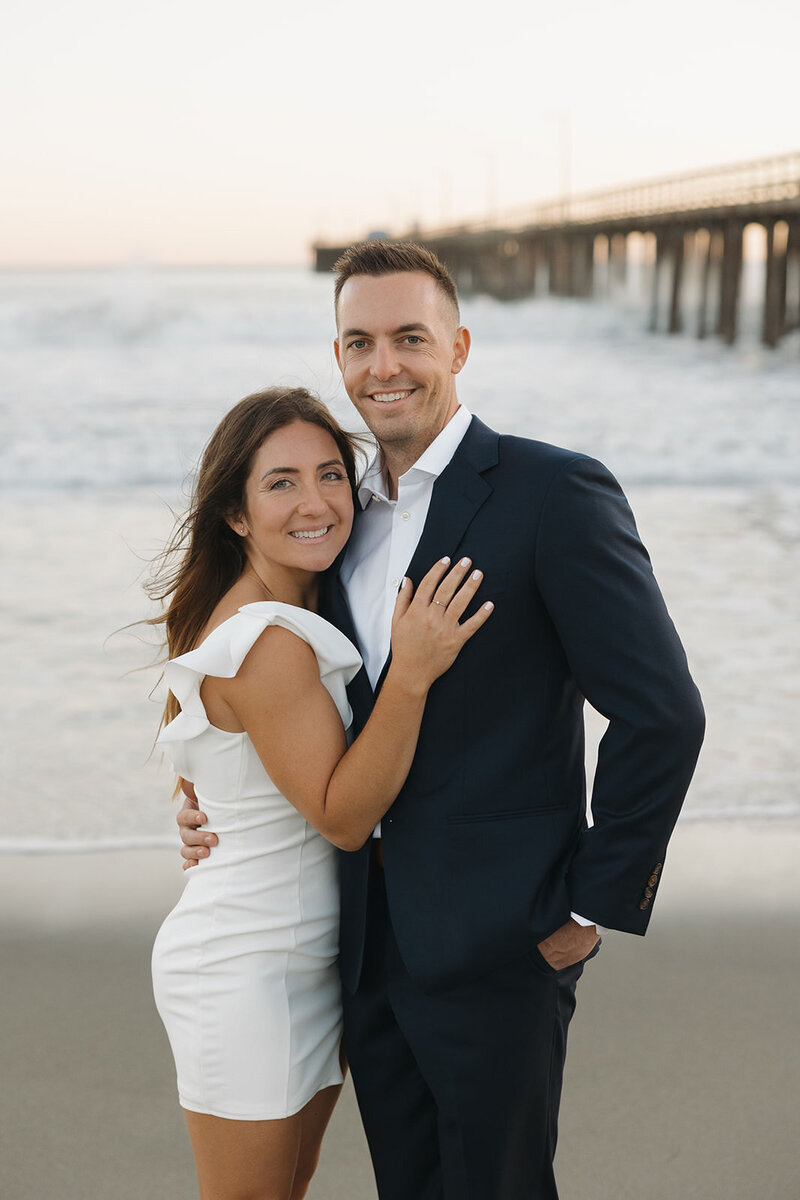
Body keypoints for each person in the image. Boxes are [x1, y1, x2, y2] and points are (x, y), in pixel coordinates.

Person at [178, 243, 706, 1200]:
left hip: (504, 937)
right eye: (361, 342)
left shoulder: (553, 494)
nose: (385, 366)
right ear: (338, 358)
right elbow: (265, 683)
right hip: (364, 940)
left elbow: (663, 713)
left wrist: (590, 905)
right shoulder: (334, 519)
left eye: (410, 338)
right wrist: (206, 792)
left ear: (458, 346)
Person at [150, 386, 493, 1200]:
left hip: (307, 961)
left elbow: (211, 758)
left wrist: (199, 806)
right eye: (280, 483)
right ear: (234, 514)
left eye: (331, 475)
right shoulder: (269, 639)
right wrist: (410, 676)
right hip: (246, 963)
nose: (316, 502)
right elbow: (342, 819)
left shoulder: (285, 611)